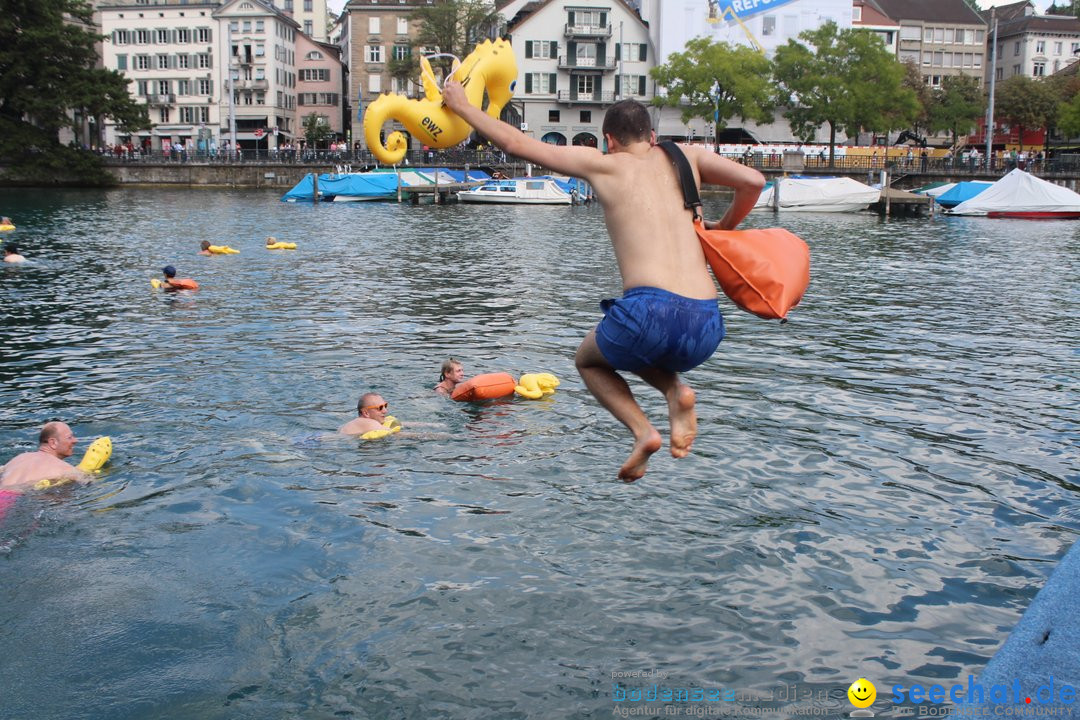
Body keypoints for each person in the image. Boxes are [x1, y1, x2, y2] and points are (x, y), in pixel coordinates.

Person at [442, 83, 765, 481]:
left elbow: (515, 142)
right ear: (651, 136)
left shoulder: (603, 164)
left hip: (650, 311)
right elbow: (753, 181)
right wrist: (722, 228)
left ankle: (644, 430)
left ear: (610, 140)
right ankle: (676, 392)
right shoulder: (690, 156)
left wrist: (461, 105)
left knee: (589, 359)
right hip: (708, 324)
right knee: (638, 347)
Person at [0, 422, 88, 492]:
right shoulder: (64, 468)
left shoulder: (20, 458)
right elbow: (86, 481)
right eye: (69, 437)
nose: (75, 440)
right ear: (53, 442)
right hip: (13, 501)